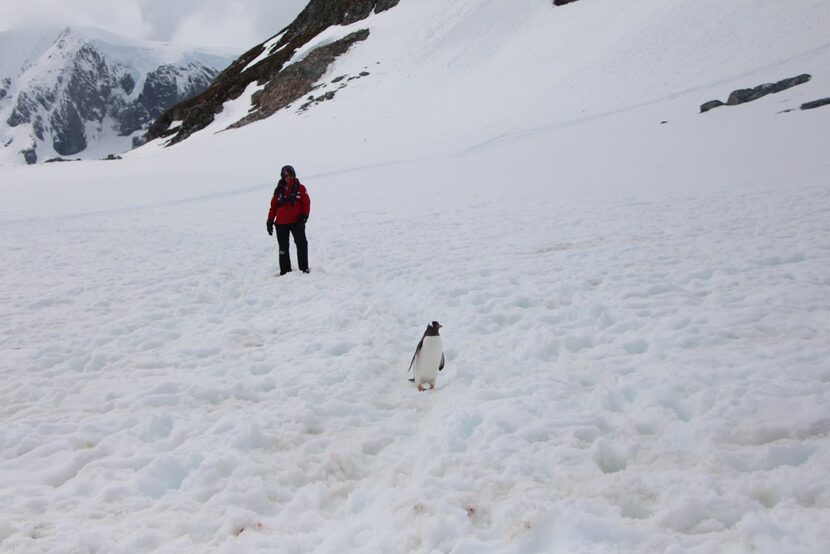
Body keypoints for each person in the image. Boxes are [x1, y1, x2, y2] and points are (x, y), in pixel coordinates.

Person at [266, 165, 311, 275]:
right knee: (283, 248)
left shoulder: (301, 188)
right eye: (285, 175)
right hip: (281, 224)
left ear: (293, 175)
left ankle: (304, 269)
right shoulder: (278, 190)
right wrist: (270, 220)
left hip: (297, 222)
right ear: (282, 176)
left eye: (290, 175)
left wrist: (304, 216)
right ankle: (285, 271)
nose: (288, 177)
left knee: (302, 244)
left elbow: (306, 203)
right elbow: (273, 207)